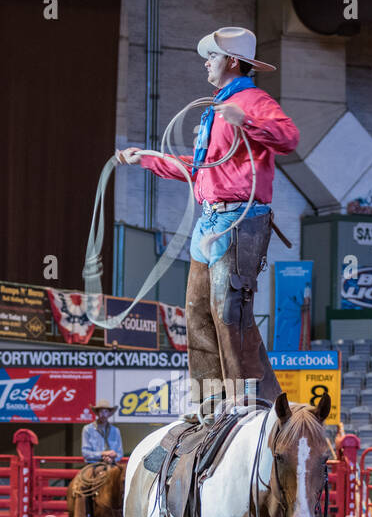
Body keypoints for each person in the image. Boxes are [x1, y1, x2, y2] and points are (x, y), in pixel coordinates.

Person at [117, 26, 298, 420]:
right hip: (212, 219)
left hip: (241, 218)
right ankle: (210, 402)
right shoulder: (214, 110)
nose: (206, 63)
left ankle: (241, 401)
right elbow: (201, 171)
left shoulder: (253, 101)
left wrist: (246, 121)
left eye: (212, 56)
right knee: (197, 310)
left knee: (228, 308)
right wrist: (146, 158)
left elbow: (288, 137)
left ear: (232, 61)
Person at [72, 399, 123, 517]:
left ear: (109, 413)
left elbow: (119, 452)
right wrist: (103, 454)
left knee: (123, 483)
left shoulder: (115, 431)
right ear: (97, 413)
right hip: (93, 464)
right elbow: (86, 453)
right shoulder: (88, 429)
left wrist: (113, 457)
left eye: (106, 411)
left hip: (111, 464)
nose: (104, 414)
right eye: (101, 411)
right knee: (82, 485)